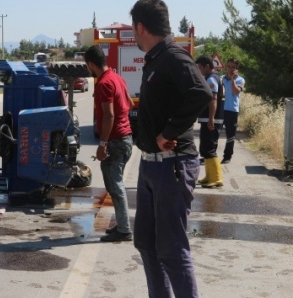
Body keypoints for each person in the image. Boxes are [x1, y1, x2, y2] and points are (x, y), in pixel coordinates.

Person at [130, 1, 211, 297]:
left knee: (172, 251)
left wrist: (169, 131)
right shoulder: (155, 59)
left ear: (141, 27)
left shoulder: (173, 56)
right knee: (147, 244)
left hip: (172, 165)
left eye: (133, 30)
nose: (134, 37)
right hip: (151, 165)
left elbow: (200, 92)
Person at [84, 45, 134, 243]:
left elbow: (109, 115)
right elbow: (129, 104)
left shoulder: (104, 83)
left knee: (116, 186)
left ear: (90, 64)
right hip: (126, 138)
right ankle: (121, 226)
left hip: (116, 141)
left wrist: (103, 143)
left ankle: (124, 229)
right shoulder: (117, 78)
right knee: (114, 185)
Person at [195, 56, 224, 188]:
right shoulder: (211, 77)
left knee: (210, 148)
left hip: (211, 119)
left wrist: (211, 118)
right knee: (205, 148)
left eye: (200, 67)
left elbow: (213, 99)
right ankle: (209, 176)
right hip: (207, 118)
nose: (199, 70)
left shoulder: (212, 78)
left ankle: (216, 178)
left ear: (207, 66)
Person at [221, 58, 246, 164]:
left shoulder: (240, 80)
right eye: (229, 66)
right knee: (214, 133)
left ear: (236, 69)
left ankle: (227, 156)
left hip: (231, 110)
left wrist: (233, 80)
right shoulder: (221, 79)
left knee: (230, 135)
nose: (230, 69)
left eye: (233, 67)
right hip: (220, 110)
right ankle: (210, 155)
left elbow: (235, 92)